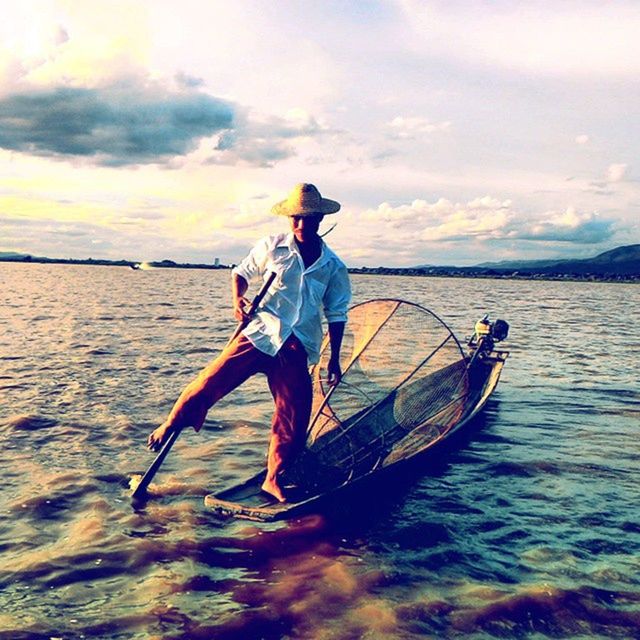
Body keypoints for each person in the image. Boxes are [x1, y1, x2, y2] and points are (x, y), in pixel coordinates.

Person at [147, 183, 351, 502]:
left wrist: (334, 359)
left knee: (294, 418)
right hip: (260, 333)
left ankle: (274, 478)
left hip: (296, 347)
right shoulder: (272, 247)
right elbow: (240, 273)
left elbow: (337, 313)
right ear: (290, 218)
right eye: (295, 218)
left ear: (319, 220)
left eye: (308, 219)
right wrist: (237, 301)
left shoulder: (333, 266)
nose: (301, 225)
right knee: (209, 382)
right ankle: (171, 423)